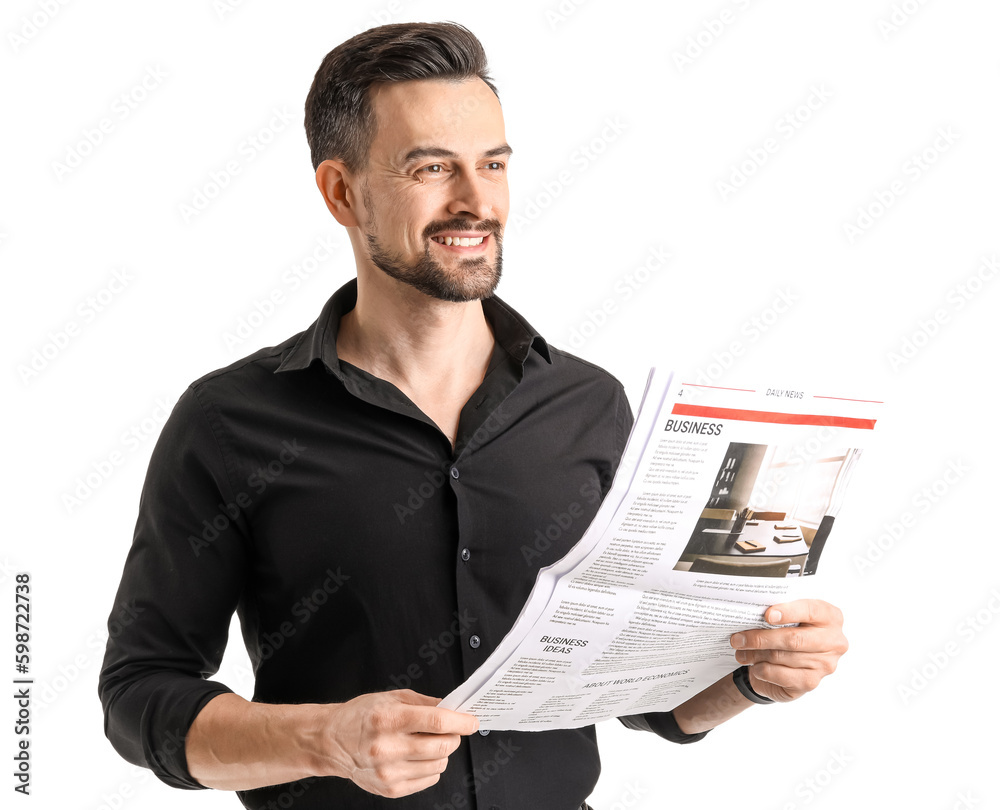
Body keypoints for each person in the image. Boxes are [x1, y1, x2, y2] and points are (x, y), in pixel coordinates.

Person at [98, 22, 848, 810]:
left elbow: (640, 694)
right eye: (432, 167)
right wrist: (324, 741)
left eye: (493, 164)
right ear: (341, 192)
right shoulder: (230, 421)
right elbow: (140, 693)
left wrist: (752, 679)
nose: (477, 200)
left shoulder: (588, 406)